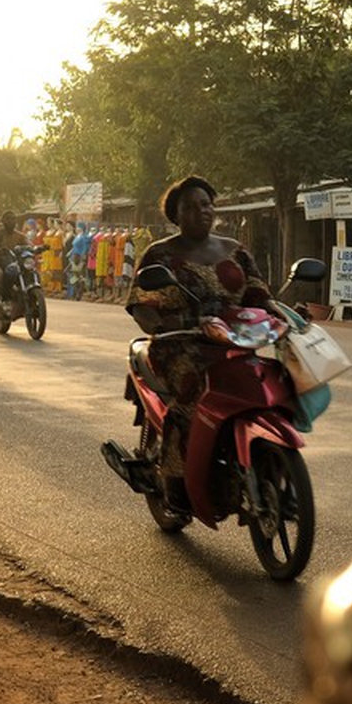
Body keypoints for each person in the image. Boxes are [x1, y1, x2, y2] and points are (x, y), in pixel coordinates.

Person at [129, 176, 275, 498]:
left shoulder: (235, 250)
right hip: (181, 345)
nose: (201, 212)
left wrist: (284, 312)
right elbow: (141, 307)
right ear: (176, 215)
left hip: (233, 342)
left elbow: (258, 294)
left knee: (270, 382)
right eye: (190, 208)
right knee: (194, 389)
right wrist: (162, 324)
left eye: (206, 204)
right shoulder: (159, 254)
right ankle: (175, 477)